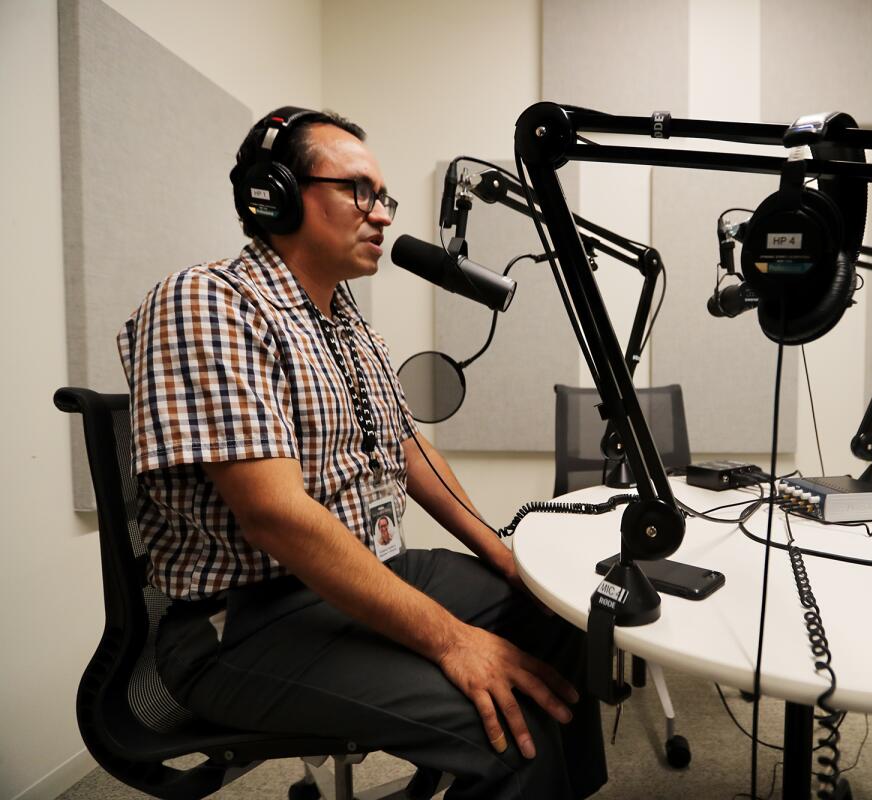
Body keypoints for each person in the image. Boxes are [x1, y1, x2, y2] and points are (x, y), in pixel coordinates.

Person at [118, 107, 606, 799]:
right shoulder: (208, 302)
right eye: (359, 191)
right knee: (510, 729)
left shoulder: (348, 321)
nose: (380, 214)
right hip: (246, 622)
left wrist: (499, 548)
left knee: (559, 619)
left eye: (385, 197)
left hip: (363, 572)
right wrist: (450, 640)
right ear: (275, 192)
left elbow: (407, 446)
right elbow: (276, 518)